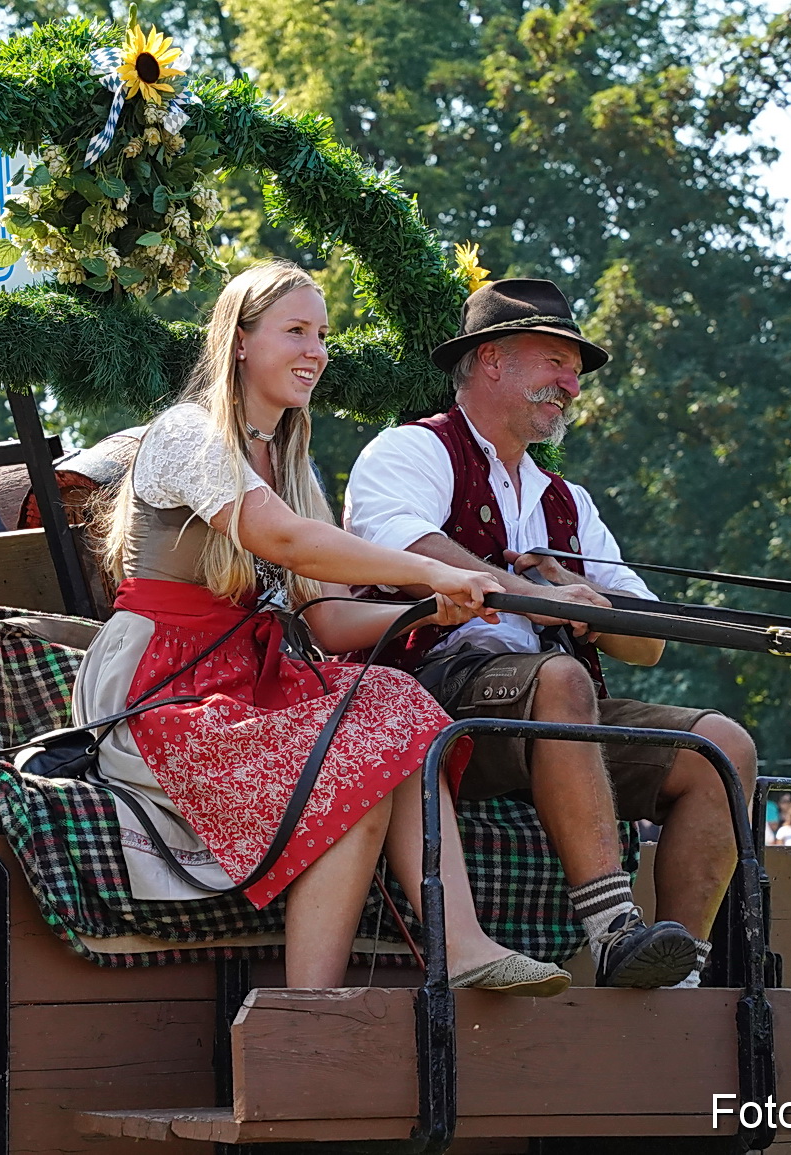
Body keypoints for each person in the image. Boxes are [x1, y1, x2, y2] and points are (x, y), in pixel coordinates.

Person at [76, 261, 569, 995]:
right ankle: (309, 1008)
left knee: (397, 703)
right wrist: (430, 572)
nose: (317, 351)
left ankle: (449, 947)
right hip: (162, 687)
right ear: (239, 342)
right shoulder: (187, 433)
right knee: (356, 765)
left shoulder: (296, 465)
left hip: (246, 681)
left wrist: (431, 612)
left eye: (325, 335)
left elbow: (331, 619)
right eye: (296, 331)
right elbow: (287, 542)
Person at [344, 278, 758, 989]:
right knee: (561, 679)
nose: (571, 384)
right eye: (555, 363)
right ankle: (612, 930)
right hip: (432, 698)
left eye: (574, 371)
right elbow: (409, 553)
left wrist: (588, 602)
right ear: (492, 360)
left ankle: (676, 969)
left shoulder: (568, 501)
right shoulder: (410, 452)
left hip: (553, 715)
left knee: (724, 746)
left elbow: (648, 640)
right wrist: (537, 597)